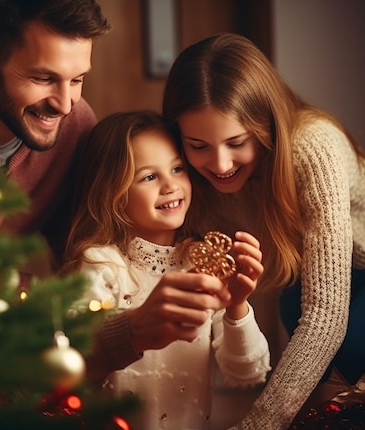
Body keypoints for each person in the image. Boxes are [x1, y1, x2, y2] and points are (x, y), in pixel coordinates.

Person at [162, 33, 365, 429]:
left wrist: (257, 425)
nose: (220, 164)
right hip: (304, 289)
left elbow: (326, 315)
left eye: (237, 142)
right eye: (198, 145)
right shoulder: (190, 179)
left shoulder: (313, 145)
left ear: (266, 124)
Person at [62, 110, 270, 429]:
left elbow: (248, 373)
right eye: (149, 176)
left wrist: (237, 304)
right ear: (113, 194)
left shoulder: (198, 265)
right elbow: (77, 365)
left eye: (177, 168)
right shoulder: (100, 265)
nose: (170, 185)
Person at [0, 0, 111, 278]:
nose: (65, 105)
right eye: (43, 78)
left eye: (76, 80)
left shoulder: (76, 126)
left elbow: (75, 262)